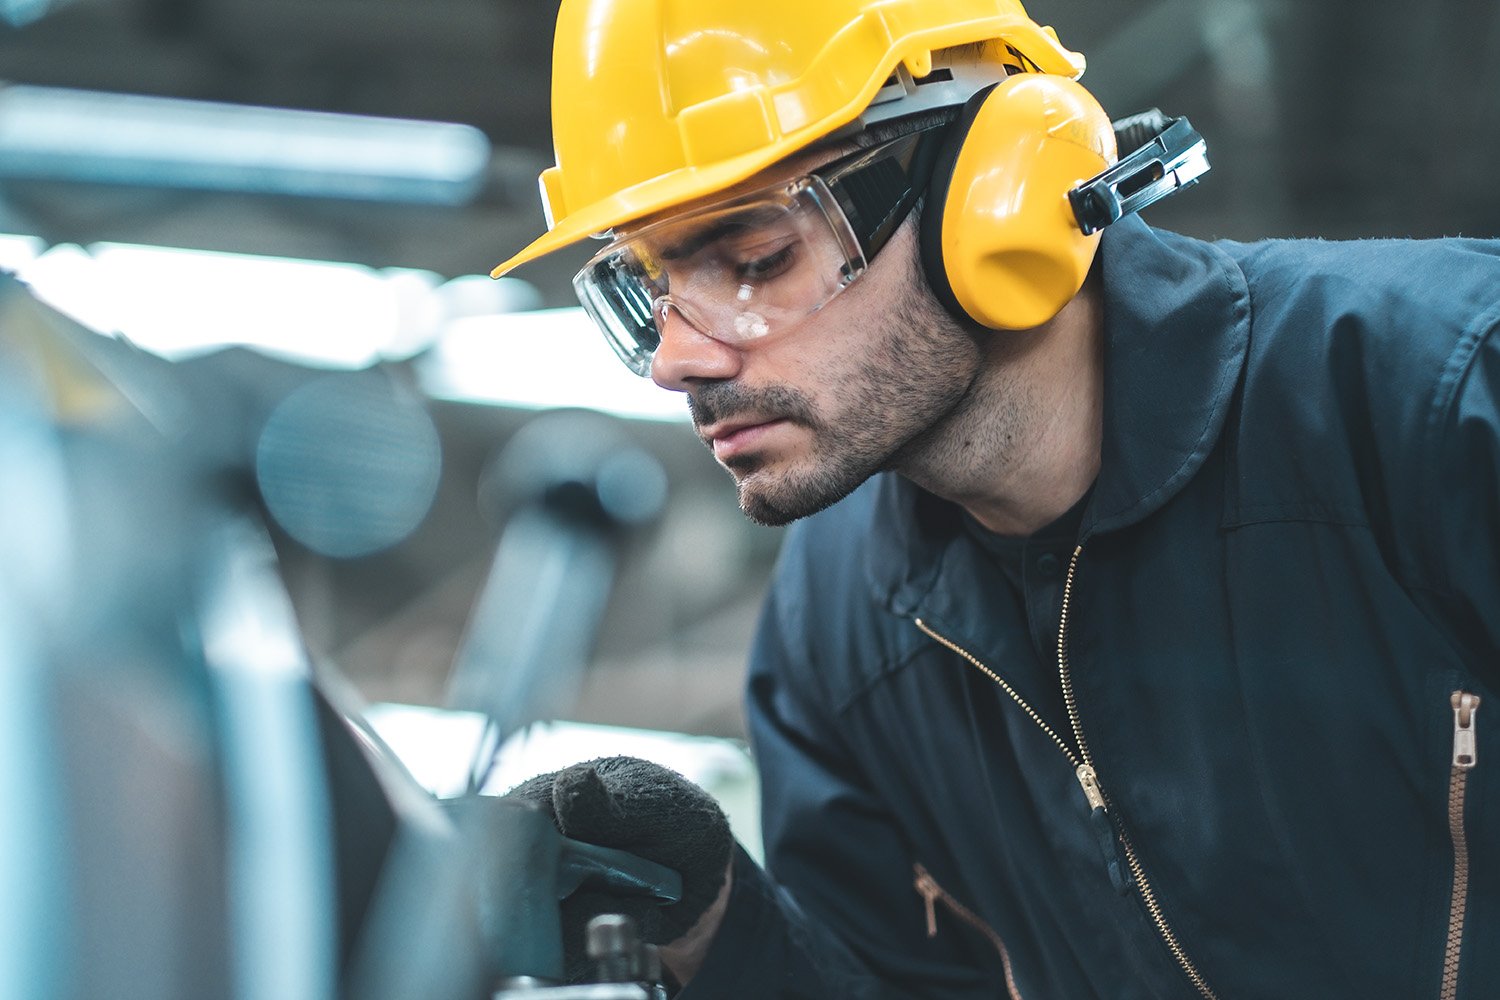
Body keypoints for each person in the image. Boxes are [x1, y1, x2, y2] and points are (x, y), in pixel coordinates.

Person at [493, 1, 1500, 997]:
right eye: (648, 289)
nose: (674, 360)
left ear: (996, 191)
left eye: (756, 259)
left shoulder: (1438, 391)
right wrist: (716, 930)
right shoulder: (837, 617)